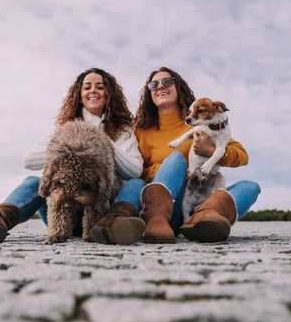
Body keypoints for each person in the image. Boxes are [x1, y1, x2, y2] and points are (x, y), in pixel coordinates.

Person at [0, 67, 143, 244]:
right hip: (62, 212)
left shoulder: (124, 131)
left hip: (100, 214)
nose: (93, 90)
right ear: (79, 93)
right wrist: (66, 143)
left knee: (137, 185)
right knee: (33, 181)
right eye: (87, 86)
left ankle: (112, 228)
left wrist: (101, 142)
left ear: (109, 93)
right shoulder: (63, 128)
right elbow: (28, 160)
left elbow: (135, 172)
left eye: (100, 86)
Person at [92, 66, 261, 244]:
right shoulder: (140, 130)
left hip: (194, 203)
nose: (160, 86)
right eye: (154, 84)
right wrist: (173, 171)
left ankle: (204, 219)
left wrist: (210, 151)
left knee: (250, 187)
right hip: (161, 206)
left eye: (167, 81)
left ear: (178, 87)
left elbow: (242, 156)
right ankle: (118, 224)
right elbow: (135, 170)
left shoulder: (202, 122)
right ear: (149, 93)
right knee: (167, 164)